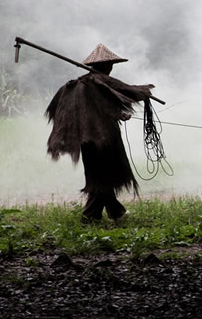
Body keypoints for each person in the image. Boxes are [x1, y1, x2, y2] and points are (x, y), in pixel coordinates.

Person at [45, 44, 155, 222]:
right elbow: (126, 91)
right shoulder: (98, 81)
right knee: (101, 178)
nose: (111, 68)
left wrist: (118, 114)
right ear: (105, 66)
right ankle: (96, 216)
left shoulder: (82, 85)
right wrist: (144, 91)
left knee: (99, 176)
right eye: (110, 64)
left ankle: (103, 214)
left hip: (87, 140)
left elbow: (99, 108)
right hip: (102, 139)